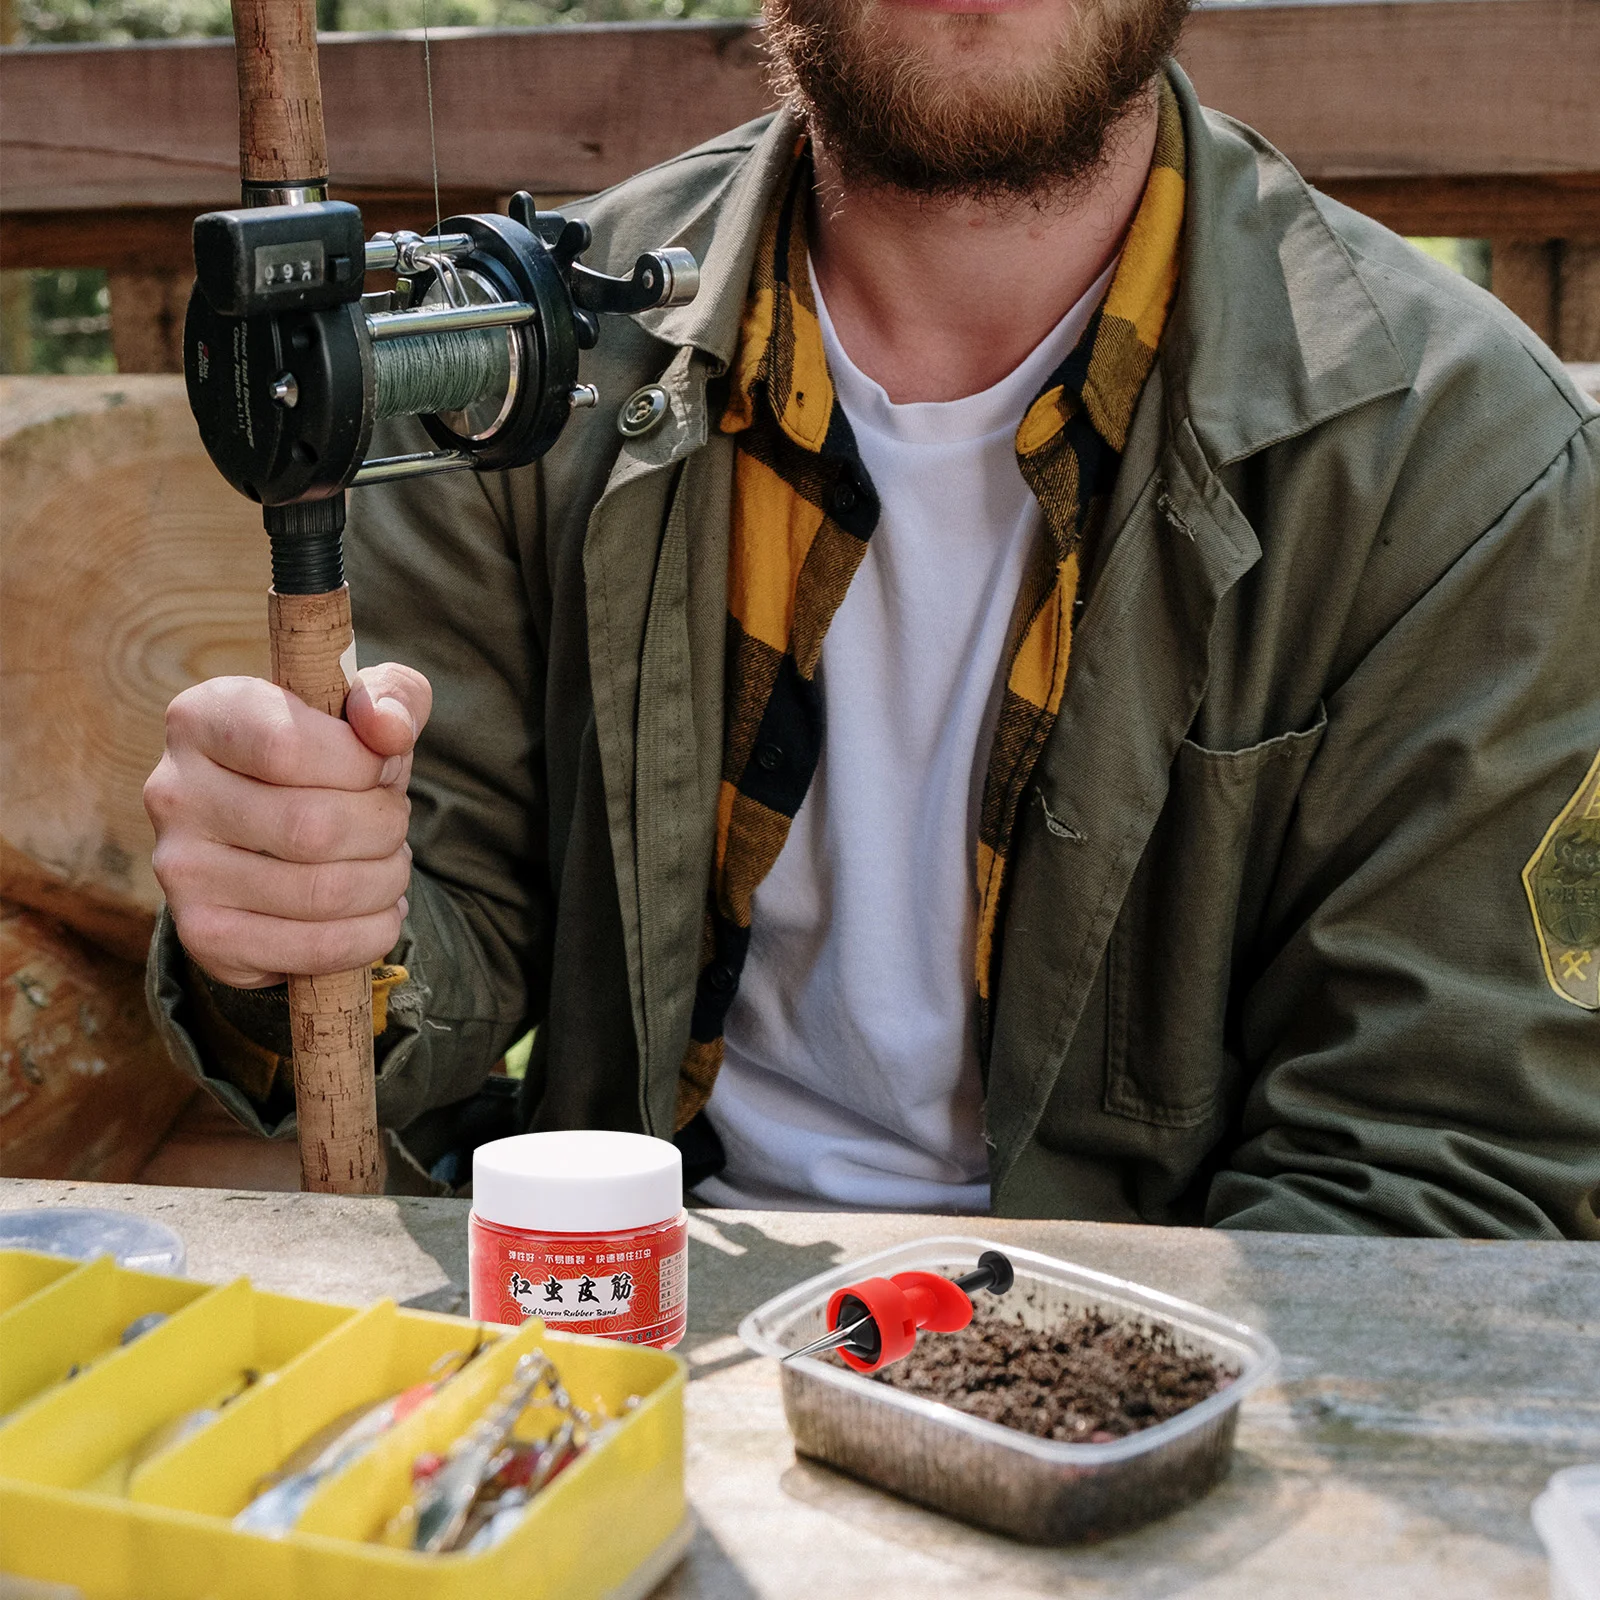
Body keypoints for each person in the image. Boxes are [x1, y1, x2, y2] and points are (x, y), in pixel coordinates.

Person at [143, 0, 1600, 1233]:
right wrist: (292, 922)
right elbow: (410, 999)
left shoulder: (1468, 463)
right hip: (633, 1323)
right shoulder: (522, 366)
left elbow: (1449, 1160)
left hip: (1164, 1402)